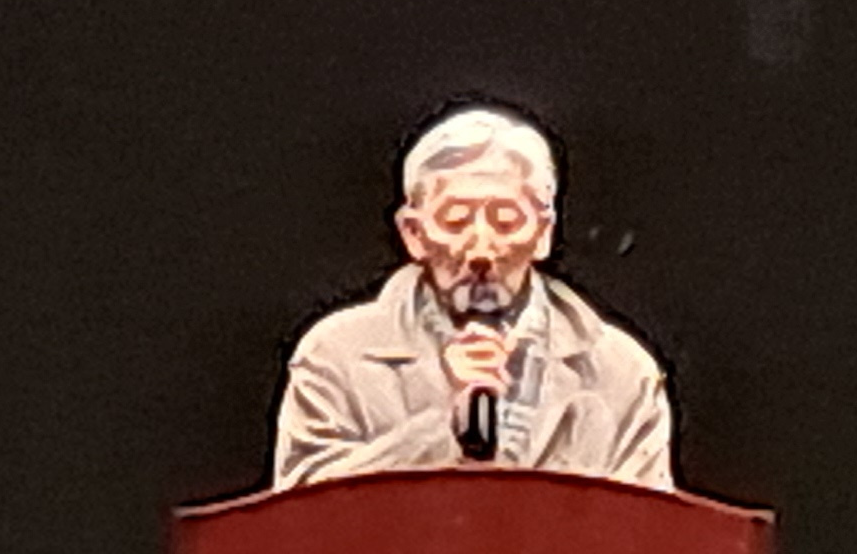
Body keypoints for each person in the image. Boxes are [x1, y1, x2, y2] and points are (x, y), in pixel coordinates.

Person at [270, 105, 673, 491]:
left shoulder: (620, 373)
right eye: (455, 220)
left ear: (544, 232)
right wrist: (442, 426)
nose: (480, 248)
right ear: (413, 233)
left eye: (506, 221)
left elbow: (648, 526)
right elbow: (297, 513)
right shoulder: (336, 356)